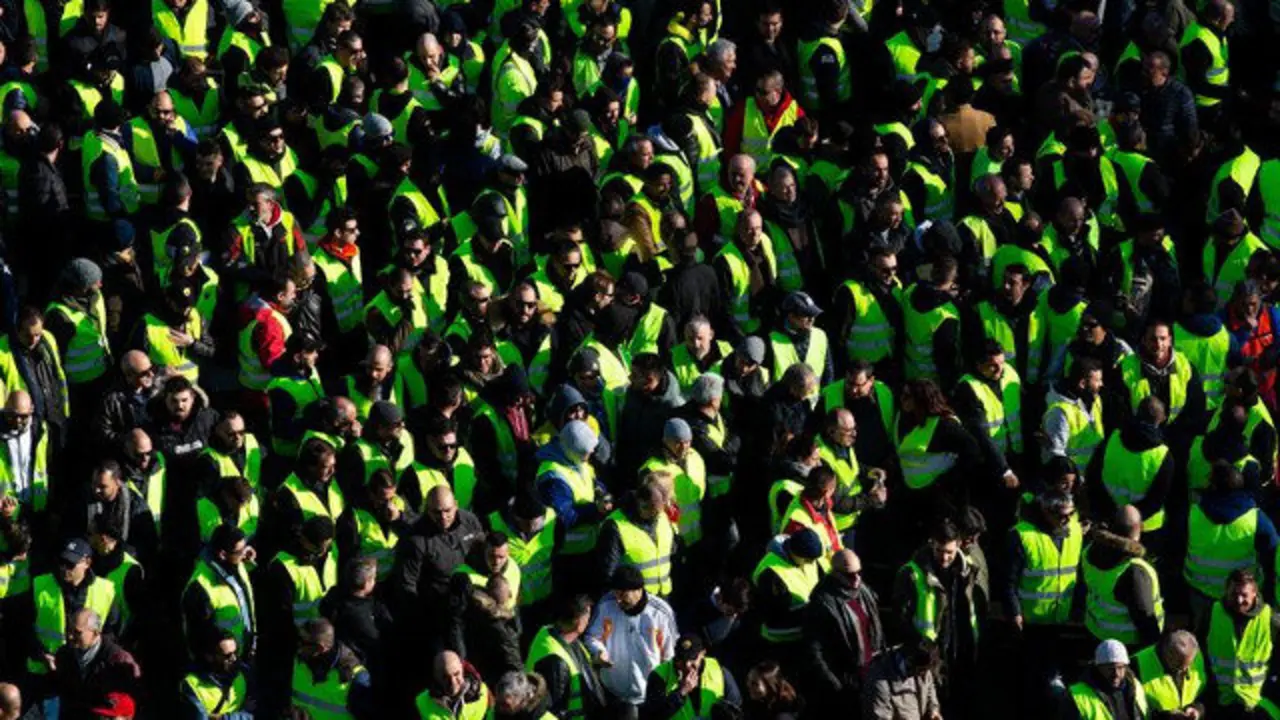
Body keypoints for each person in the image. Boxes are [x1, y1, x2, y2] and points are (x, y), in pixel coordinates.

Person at [585, 566, 678, 715]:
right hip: (612, 691)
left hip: (648, 696)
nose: (618, 600)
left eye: (623, 594)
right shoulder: (605, 605)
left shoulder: (660, 613)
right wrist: (599, 651)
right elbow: (591, 636)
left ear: (639, 590)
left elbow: (670, 654)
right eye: (615, 593)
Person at [802, 549, 883, 711]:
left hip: (873, 672)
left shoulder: (863, 592)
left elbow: (876, 629)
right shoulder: (822, 603)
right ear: (835, 573)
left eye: (858, 573)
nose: (856, 579)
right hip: (847, 680)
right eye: (849, 575)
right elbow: (814, 650)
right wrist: (835, 683)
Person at [1081, 505, 1165, 648]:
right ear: (1140, 528)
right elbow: (1145, 618)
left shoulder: (1090, 550)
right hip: (1128, 644)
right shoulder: (1134, 571)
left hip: (1096, 631)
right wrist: (1155, 648)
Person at [526, 594, 608, 720]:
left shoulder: (555, 634)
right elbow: (554, 710)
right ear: (578, 623)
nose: (589, 621)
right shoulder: (555, 662)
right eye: (587, 617)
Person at [641, 633, 741, 719]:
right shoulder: (659, 675)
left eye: (692, 658)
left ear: (702, 654)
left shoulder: (720, 671)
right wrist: (681, 693)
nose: (687, 665)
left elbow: (735, 708)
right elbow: (650, 716)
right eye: (681, 659)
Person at [1066, 640, 1149, 720]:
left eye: (1120, 667)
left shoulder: (1135, 686)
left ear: (1126, 667)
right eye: (1110, 669)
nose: (1116, 674)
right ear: (1098, 667)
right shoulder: (1076, 696)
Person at [861, 639, 942, 720]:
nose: (925, 675)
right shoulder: (879, 682)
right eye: (922, 671)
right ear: (909, 662)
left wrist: (933, 711)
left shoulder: (923, 666)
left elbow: (929, 690)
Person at [1131, 630, 1205, 717]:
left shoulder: (1195, 657)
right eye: (1179, 666)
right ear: (1168, 653)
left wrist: (1197, 709)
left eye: (1189, 665)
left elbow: (1206, 693)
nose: (1186, 670)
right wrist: (1165, 717)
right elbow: (1130, 711)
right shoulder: (1136, 666)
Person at [178, 631, 251, 719]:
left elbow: (255, 714)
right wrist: (242, 715)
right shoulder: (192, 684)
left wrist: (222, 718)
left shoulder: (244, 674)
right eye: (227, 656)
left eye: (236, 652)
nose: (234, 658)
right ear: (209, 657)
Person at [415, 649, 491, 719]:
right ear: (436, 677)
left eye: (456, 674)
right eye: (445, 677)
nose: (453, 682)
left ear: (462, 670)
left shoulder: (483, 692)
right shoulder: (421, 702)